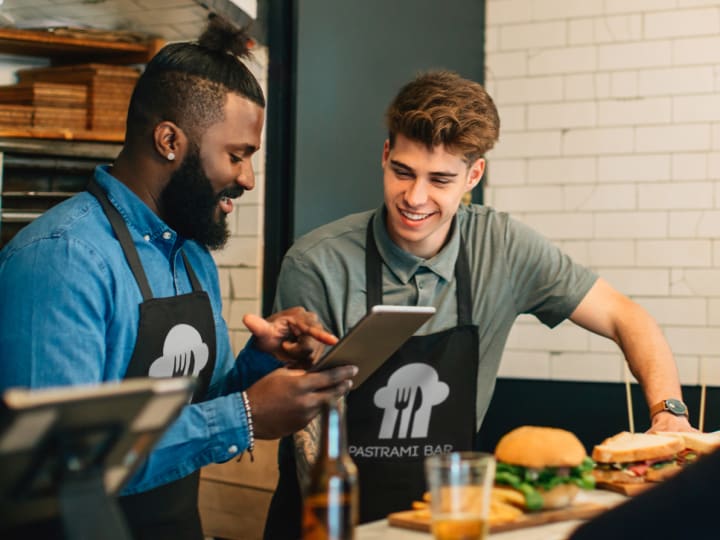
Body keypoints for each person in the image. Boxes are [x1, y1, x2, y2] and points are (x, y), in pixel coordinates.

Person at [264, 70, 693, 534]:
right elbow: (305, 429)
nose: (415, 197)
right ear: (385, 155)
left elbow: (625, 316)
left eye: (441, 180)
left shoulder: (503, 247)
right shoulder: (316, 262)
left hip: (447, 519)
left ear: (473, 175)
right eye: (403, 172)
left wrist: (669, 414)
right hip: (326, 518)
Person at [0, 16, 356, 540]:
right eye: (237, 156)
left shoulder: (191, 256)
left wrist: (263, 363)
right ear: (169, 139)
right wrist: (246, 415)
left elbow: (199, 406)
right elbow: (57, 465)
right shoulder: (63, 258)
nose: (248, 179)